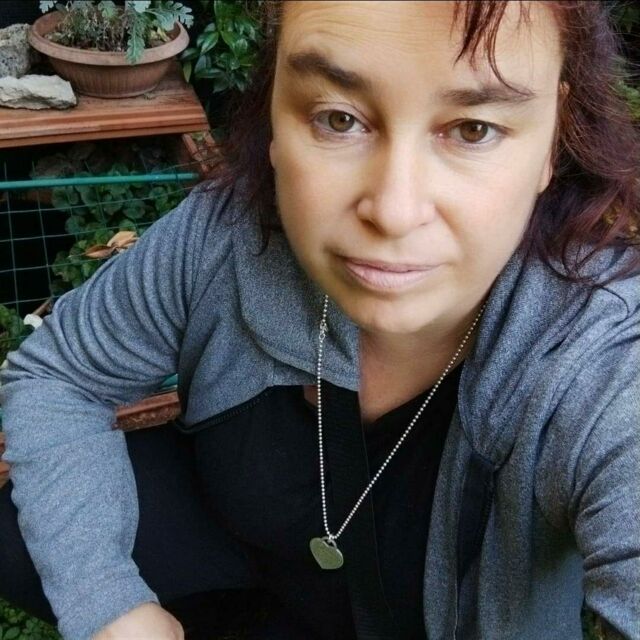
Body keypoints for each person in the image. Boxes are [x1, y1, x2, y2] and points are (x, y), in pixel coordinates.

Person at [1, 1, 639, 638]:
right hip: (245, 577)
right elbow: (61, 374)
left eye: (474, 129)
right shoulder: (224, 235)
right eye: (338, 118)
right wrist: (108, 603)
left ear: (552, 138)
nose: (394, 211)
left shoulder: (599, 353)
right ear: (276, 113)